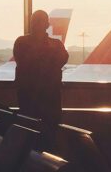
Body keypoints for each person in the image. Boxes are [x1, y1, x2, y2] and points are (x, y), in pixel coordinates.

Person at [13, 10, 69, 148]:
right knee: (49, 138)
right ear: (48, 25)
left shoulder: (21, 42)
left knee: (28, 137)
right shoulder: (56, 45)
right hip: (51, 98)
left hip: (29, 97)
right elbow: (61, 60)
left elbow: (23, 62)